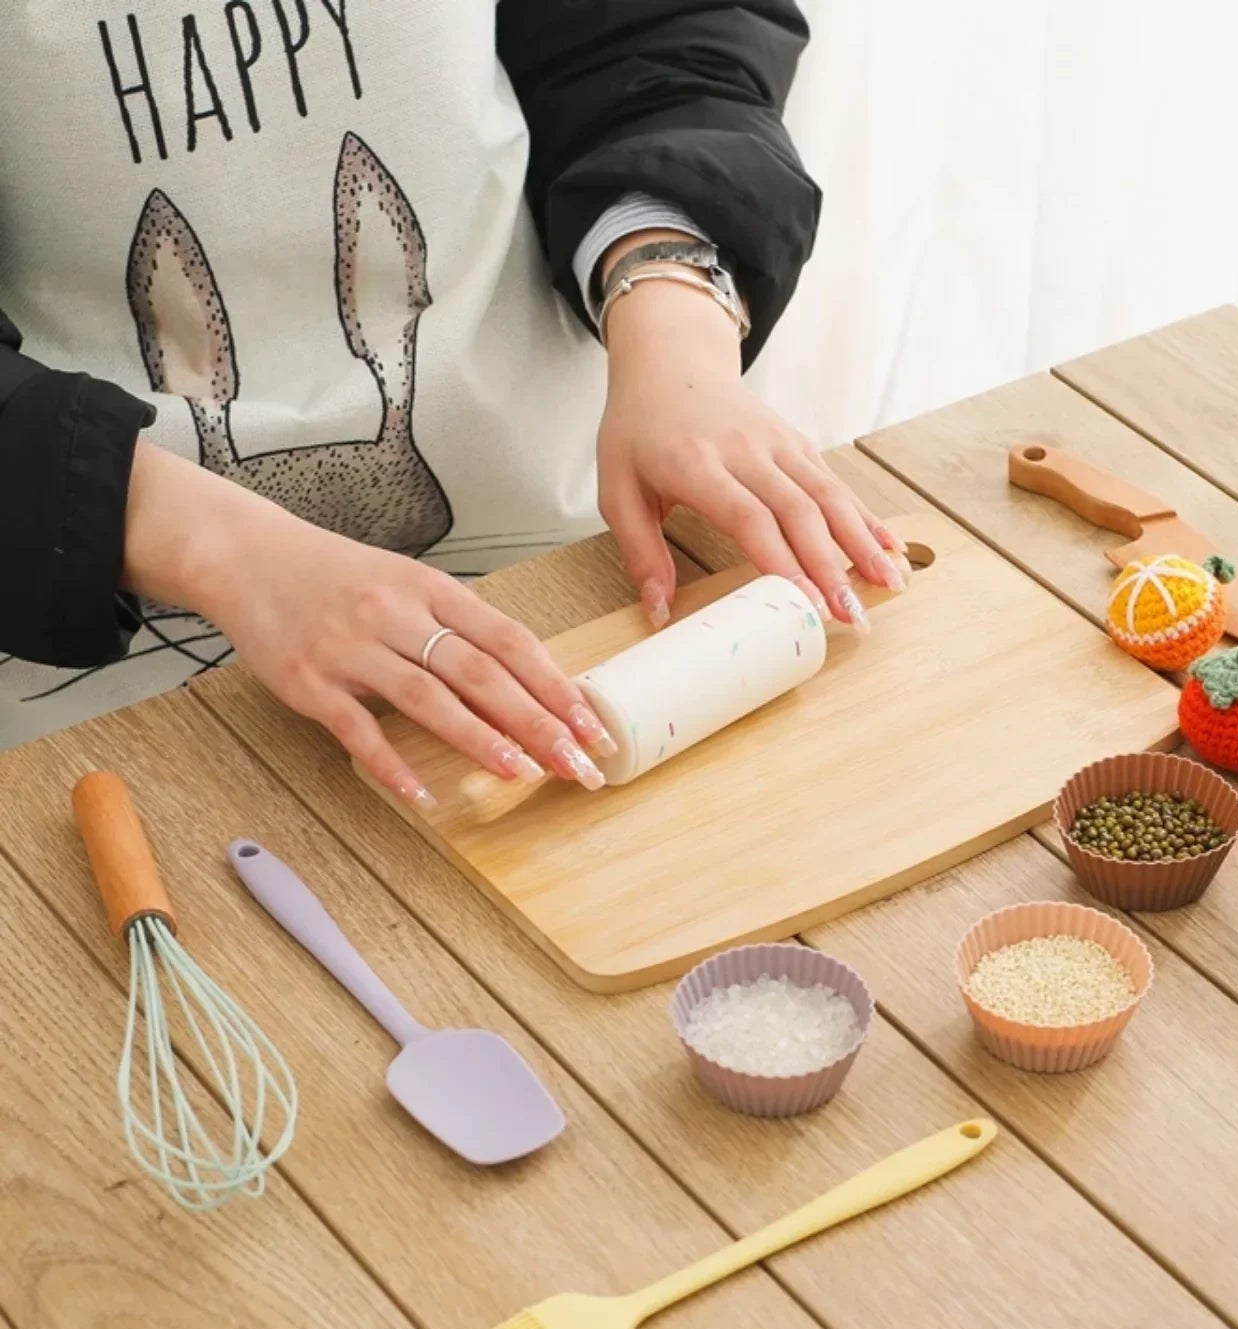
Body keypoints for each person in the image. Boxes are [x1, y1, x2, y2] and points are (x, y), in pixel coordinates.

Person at [0, 1, 905, 804]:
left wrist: (671, 314)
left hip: (564, 567)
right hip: (101, 647)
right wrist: (221, 549)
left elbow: (650, 33)